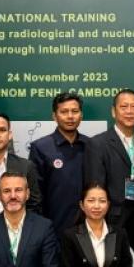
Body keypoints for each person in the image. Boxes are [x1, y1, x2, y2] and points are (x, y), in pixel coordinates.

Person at [84, 89, 134, 257]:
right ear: (114, 111)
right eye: (124, 106)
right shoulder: (98, 143)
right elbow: (95, 185)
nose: (129, 111)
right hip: (113, 218)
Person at [30, 91, 90, 235]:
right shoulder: (41, 147)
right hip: (53, 226)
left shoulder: (91, 145)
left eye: (75, 111)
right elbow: (35, 193)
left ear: (81, 115)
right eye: (64, 112)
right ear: (54, 116)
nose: (70, 116)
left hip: (87, 226)